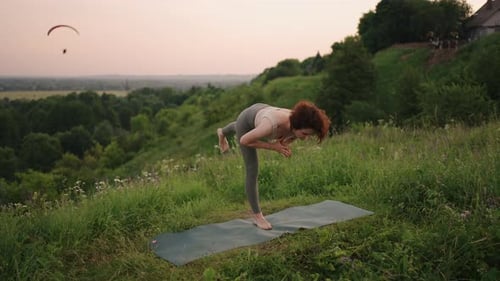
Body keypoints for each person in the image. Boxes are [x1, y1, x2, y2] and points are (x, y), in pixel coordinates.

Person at [217, 100, 331, 230]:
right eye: (305, 134)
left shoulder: (297, 121)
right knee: (252, 169)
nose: (305, 138)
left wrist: (285, 143)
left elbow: (293, 135)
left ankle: (222, 131)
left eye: (309, 135)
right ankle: (257, 217)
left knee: (246, 128)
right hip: (250, 118)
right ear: (296, 125)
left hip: (262, 111)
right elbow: (244, 141)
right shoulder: (271, 125)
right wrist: (272, 146)